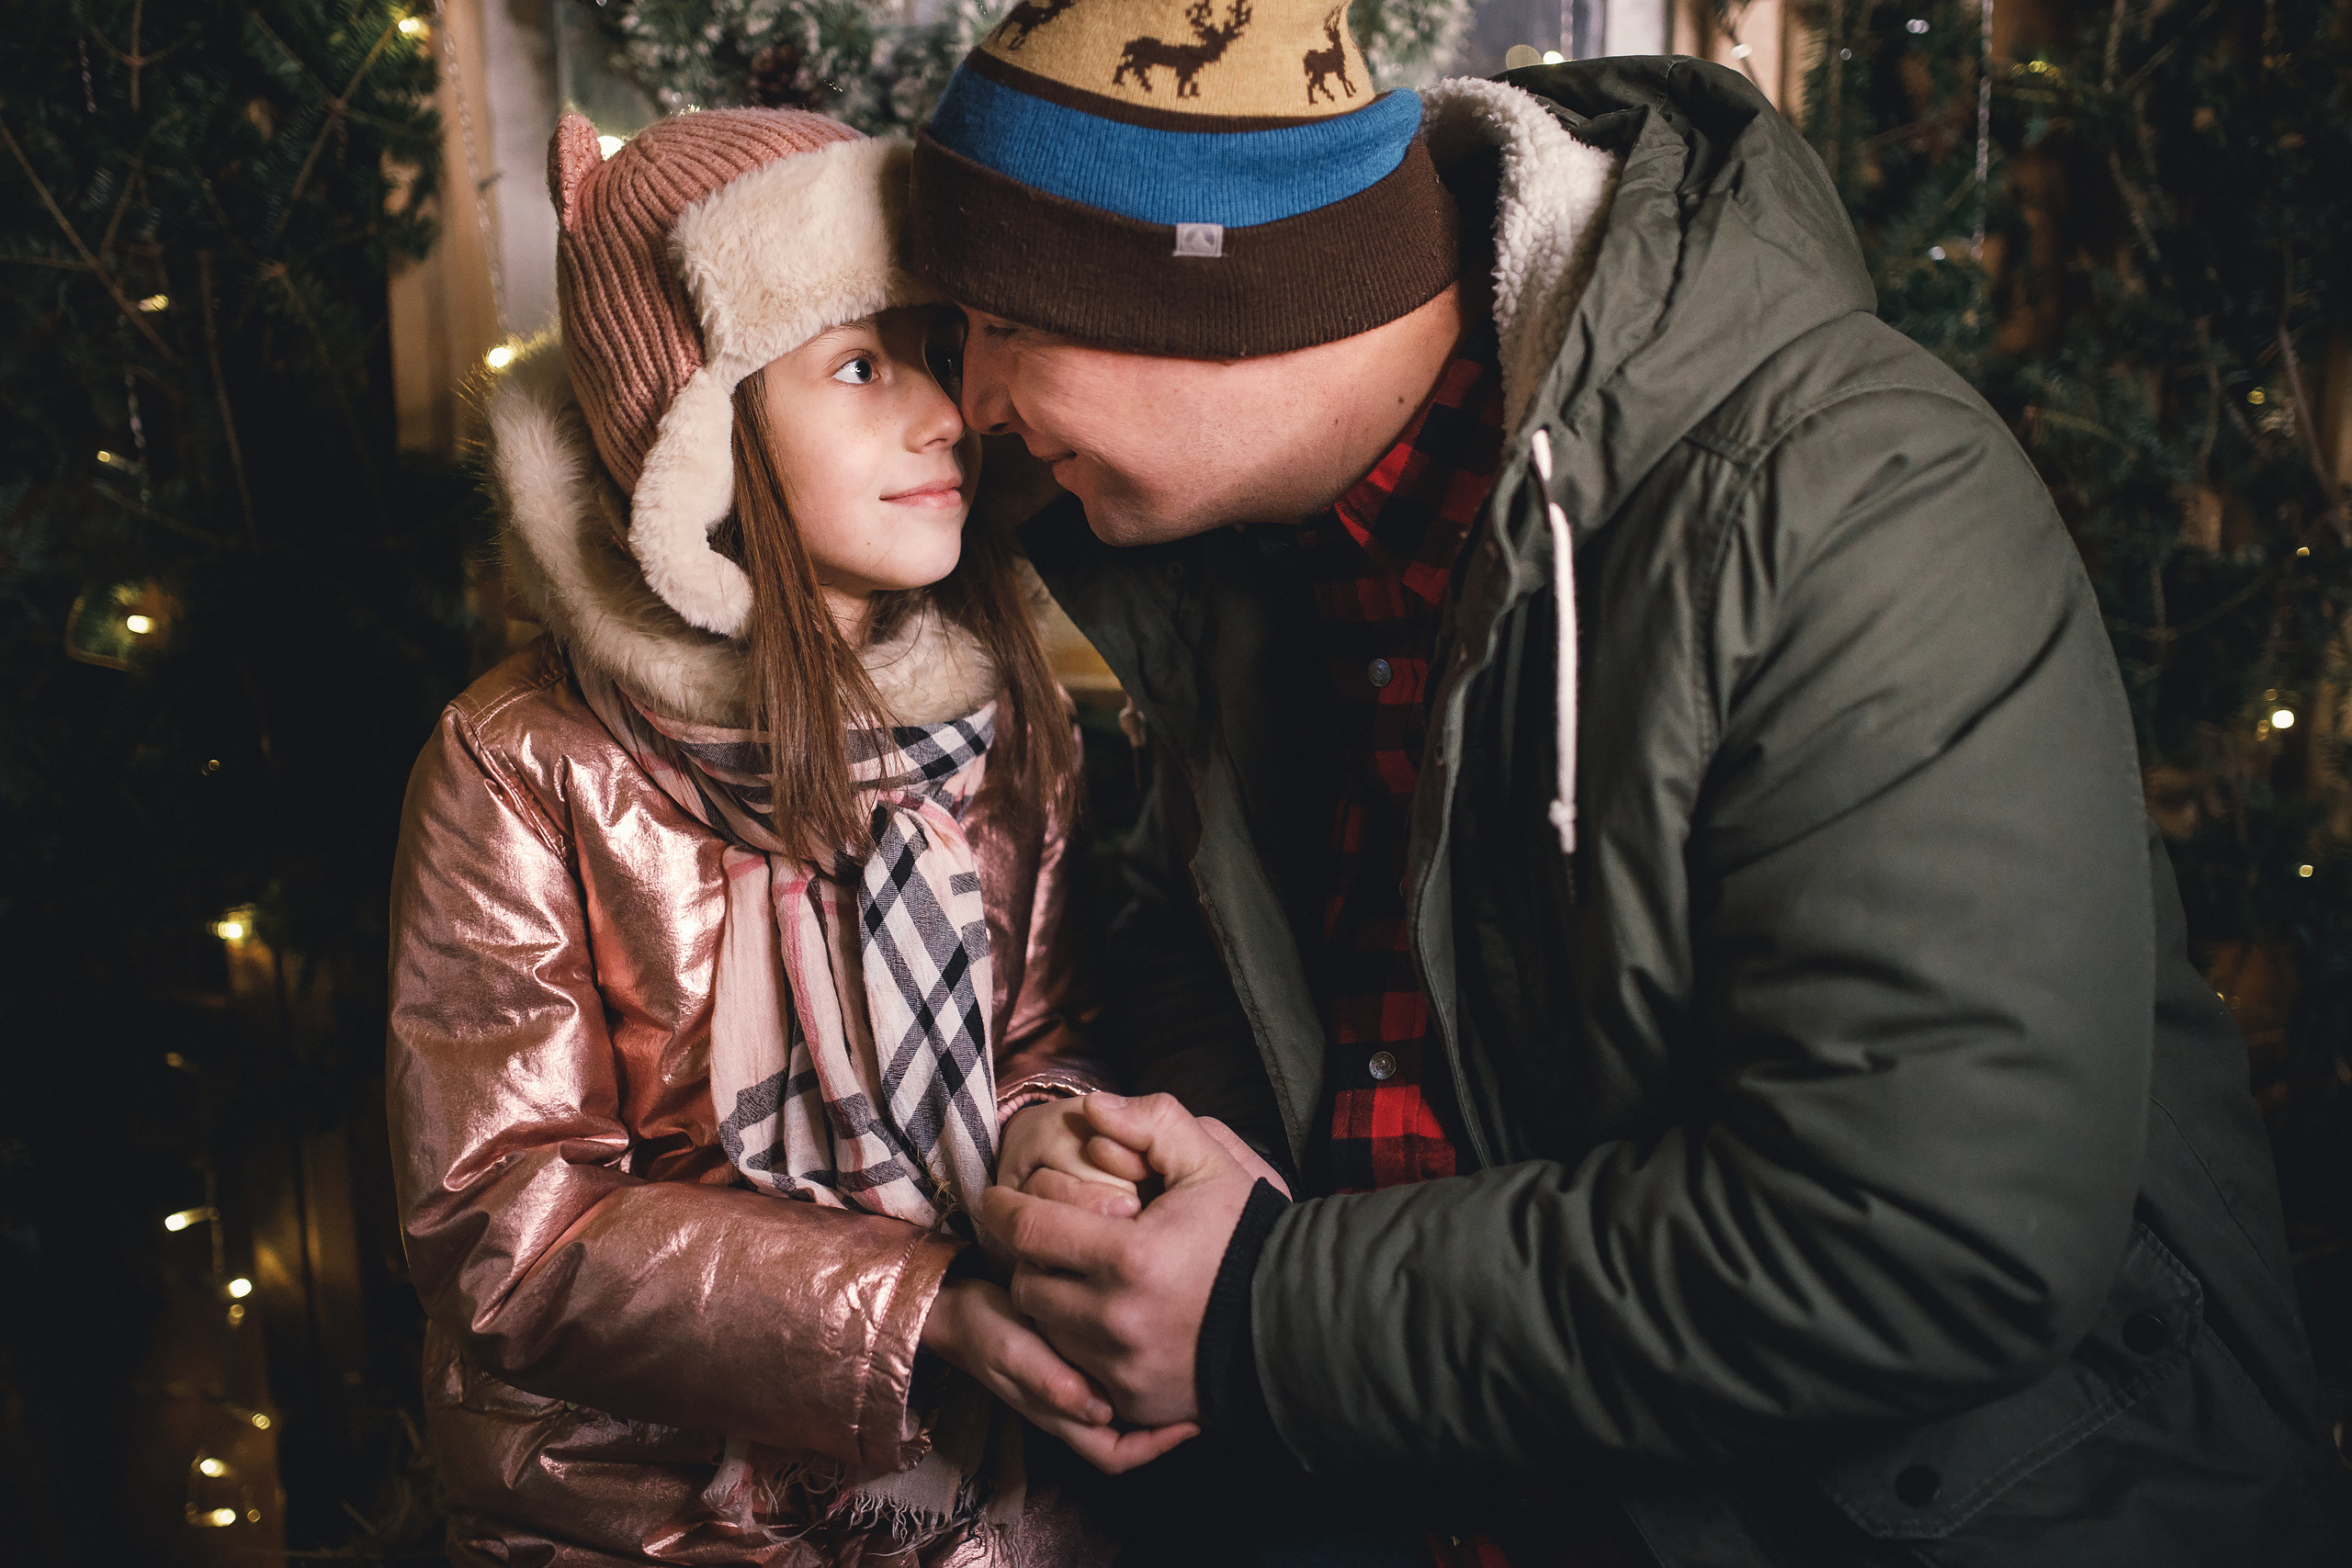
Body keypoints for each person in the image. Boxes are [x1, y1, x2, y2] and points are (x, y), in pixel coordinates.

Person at [905, 10, 2352, 1564]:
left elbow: (1937, 1237)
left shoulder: (1849, 503)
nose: (970, 402)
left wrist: (1264, 1314)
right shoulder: (1235, 559)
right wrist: (1145, 1160)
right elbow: (1200, 937)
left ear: (1200, 291)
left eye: (1000, 320)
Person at [385, 107, 1178, 1566]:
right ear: (703, 435)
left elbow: (1038, 1036)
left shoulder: (1005, 722)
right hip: (642, 1515)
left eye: (937, 354)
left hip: (979, 1508)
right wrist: (927, 1305)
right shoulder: (526, 759)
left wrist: (1054, 1140)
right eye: (860, 367)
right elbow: (509, 1225)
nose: (945, 412)